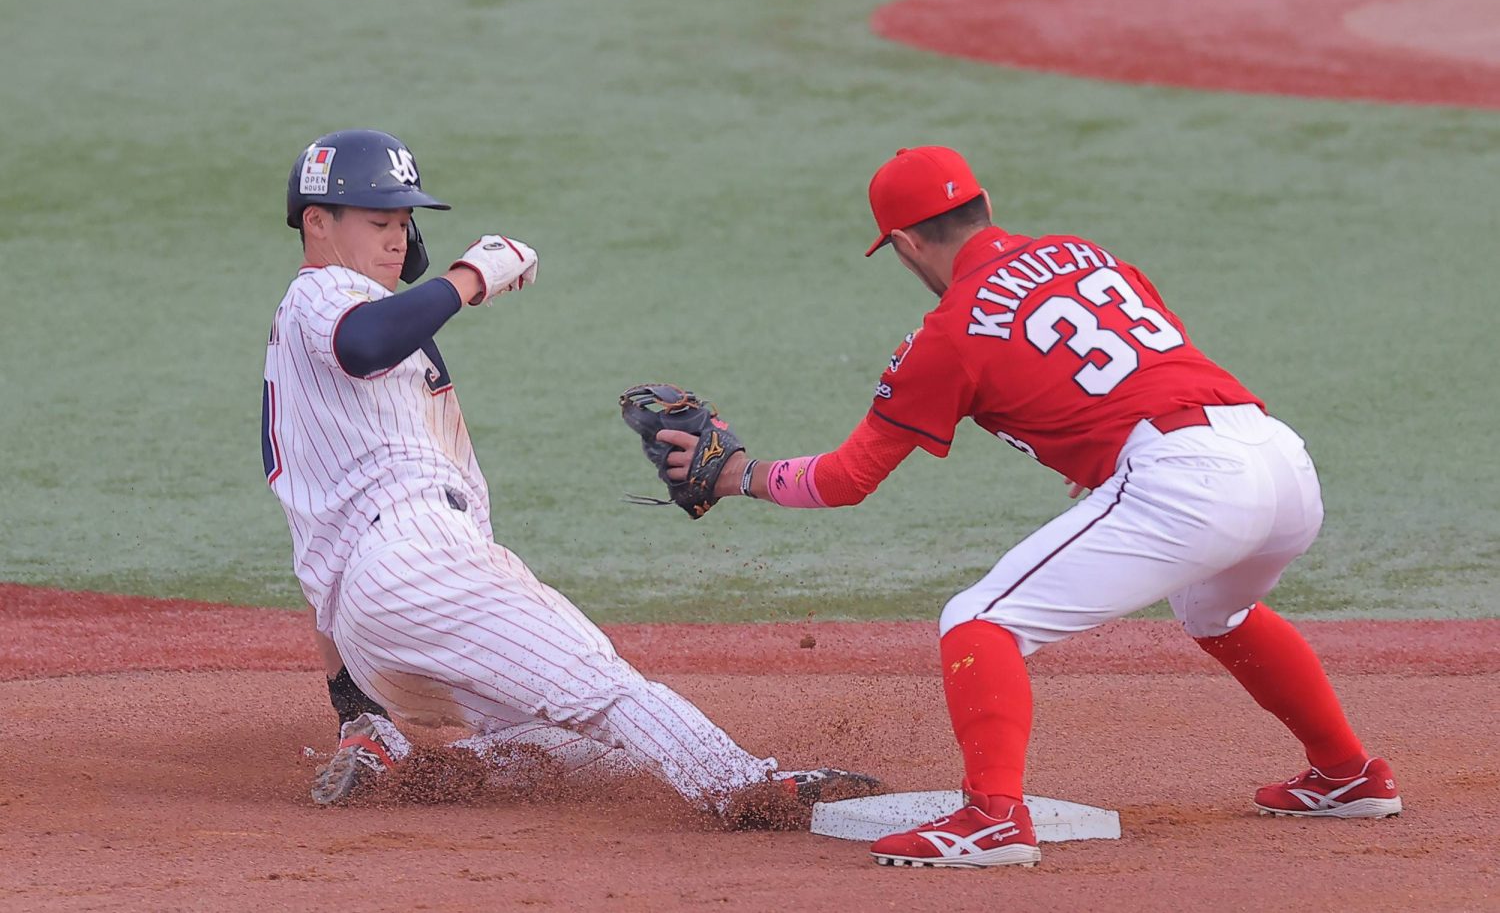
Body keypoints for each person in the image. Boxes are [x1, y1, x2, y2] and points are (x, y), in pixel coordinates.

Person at [655, 146, 1401, 867]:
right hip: (1278, 458)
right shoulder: (1086, 253)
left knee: (978, 620)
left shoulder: (945, 335)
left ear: (907, 243)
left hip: (1187, 480)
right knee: (1216, 612)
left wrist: (738, 474)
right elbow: (1145, 366)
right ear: (986, 208)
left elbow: (848, 478)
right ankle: (1347, 772)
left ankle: (991, 821)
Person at [262, 128, 876, 819]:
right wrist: (469, 278)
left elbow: (318, 555)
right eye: (379, 222)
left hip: (375, 624)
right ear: (317, 222)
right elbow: (364, 340)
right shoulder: (322, 294)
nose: (399, 239)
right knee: (600, 684)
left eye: (405, 222)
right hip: (417, 566)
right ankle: (743, 787)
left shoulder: (309, 372)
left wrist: (354, 708)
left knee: (600, 740)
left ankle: (413, 763)